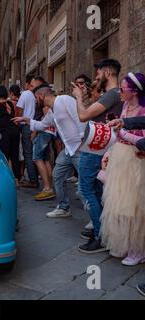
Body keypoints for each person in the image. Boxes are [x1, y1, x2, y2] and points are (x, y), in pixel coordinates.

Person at [72, 59, 124, 254]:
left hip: (95, 147)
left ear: (108, 72)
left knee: (85, 189)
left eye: (98, 73)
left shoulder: (112, 94)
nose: (95, 77)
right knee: (96, 189)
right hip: (100, 146)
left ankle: (101, 237)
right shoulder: (114, 94)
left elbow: (83, 116)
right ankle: (101, 228)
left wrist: (78, 97)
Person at [14, 85, 86, 218]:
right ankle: (64, 207)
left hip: (79, 148)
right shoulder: (52, 111)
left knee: (85, 186)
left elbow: (80, 118)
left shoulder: (64, 100)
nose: (35, 101)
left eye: (36, 98)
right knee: (57, 175)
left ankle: (95, 221)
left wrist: (83, 138)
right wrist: (26, 120)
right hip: (68, 150)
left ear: (42, 96)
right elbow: (42, 125)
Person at [99, 73, 145, 266]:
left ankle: (138, 249)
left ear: (134, 91)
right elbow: (120, 133)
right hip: (120, 158)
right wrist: (108, 153)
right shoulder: (125, 106)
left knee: (135, 207)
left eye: (123, 88)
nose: (120, 91)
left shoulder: (143, 109)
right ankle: (124, 243)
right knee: (118, 205)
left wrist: (124, 132)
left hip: (135, 162)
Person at [16, 74, 39, 188]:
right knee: (33, 154)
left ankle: (33, 180)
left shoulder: (25, 94)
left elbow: (19, 109)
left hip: (25, 125)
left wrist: (17, 121)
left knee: (28, 154)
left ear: (27, 83)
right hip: (34, 126)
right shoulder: (35, 96)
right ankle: (34, 178)